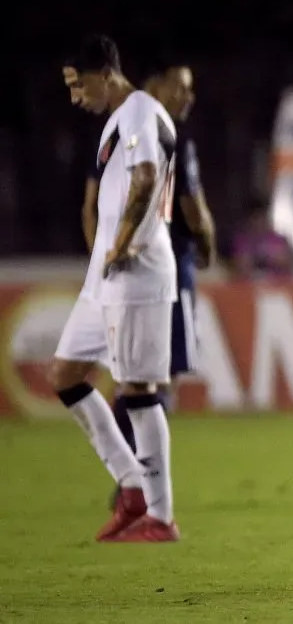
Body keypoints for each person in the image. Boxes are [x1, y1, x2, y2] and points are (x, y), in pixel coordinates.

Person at [57, 34, 179, 541]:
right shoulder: (120, 118)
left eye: (78, 84)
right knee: (65, 374)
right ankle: (131, 485)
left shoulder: (138, 111)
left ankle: (160, 515)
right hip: (106, 279)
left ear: (106, 74)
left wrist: (123, 243)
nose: (75, 96)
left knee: (138, 389)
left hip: (137, 272)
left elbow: (146, 177)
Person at [94, 55, 216, 484]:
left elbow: (92, 199)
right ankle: (140, 480)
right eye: (180, 86)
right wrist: (207, 245)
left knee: (133, 376)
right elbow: (193, 211)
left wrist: (106, 251)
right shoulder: (172, 136)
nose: (188, 96)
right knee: (160, 379)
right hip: (169, 266)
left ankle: (127, 473)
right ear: (155, 84)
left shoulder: (118, 131)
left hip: (125, 267)